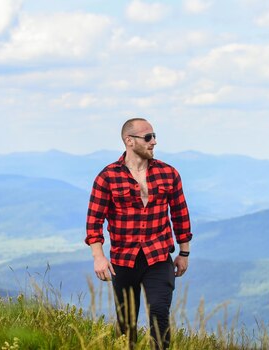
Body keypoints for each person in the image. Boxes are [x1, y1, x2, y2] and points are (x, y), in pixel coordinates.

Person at [85, 117, 192, 350]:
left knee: (159, 314)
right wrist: (99, 257)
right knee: (126, 324)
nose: (153, 142)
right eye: (148, 137)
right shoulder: (108, 177)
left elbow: (180, 215)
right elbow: (94, 221)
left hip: (159, 256)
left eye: (154, 136)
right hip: (124, 260)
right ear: (129, 141)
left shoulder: (169, 173)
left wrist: (184, 253)